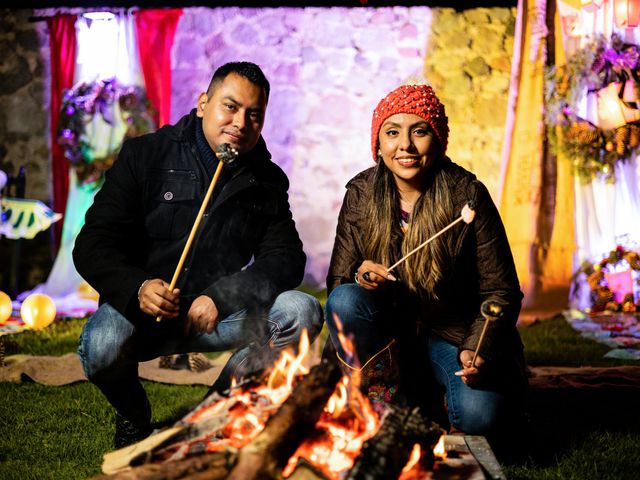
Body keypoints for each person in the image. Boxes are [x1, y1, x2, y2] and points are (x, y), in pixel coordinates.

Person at [73, 61, 323, 449]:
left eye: (253, 114)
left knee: (300, 310)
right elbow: (92, 243)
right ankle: (134, 422)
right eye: (230, 106)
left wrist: (220, 298)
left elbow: (286, 259)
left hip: (216, 317)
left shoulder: (267, 180)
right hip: (143, 315)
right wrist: (138, 288)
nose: (241, 122)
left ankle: (208, 415)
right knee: (101, 346)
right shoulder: (145, 154)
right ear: (203, 102)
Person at [324, 83, 527, 458]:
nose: (406, 145)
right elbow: (338, 285)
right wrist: (360, 275)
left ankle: (429, 401)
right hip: (387, 333)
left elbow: (501, 290)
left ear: (437, 139)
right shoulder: (361, 193)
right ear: (378, 142)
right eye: (392, 132)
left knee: (480, 415)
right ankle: (387, 402)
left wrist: (476, 346)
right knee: (345, 300)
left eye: (419, 131)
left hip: (450, 334)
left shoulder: (466, 195)